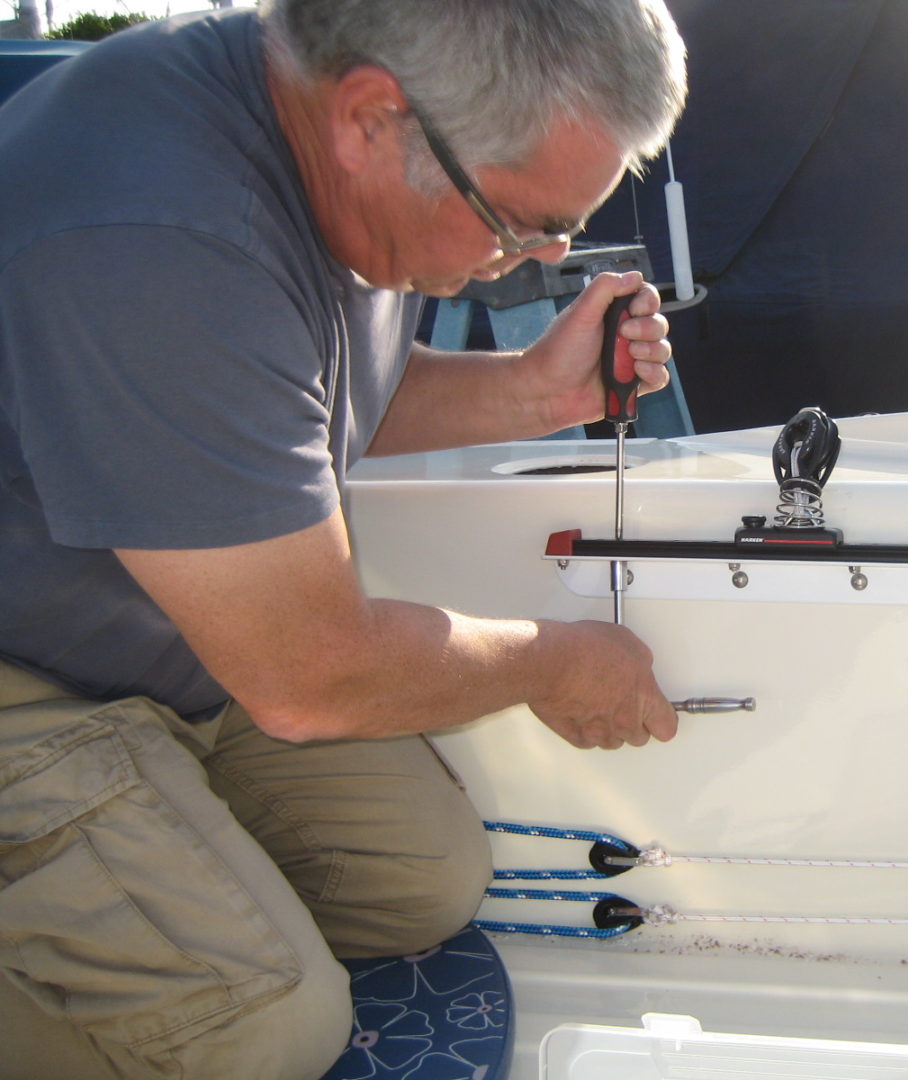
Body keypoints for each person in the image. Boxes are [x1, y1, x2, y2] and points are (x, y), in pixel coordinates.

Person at [0, 0, 687, 1076]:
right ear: (372, 115)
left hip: (161, 643)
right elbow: (306, 674)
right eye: (517, 224)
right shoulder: (158, 237)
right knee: (262, 1030)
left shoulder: (324, 137)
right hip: (25, 670)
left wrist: (525, 394)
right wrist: (556, 662)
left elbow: (275, 403)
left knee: (417, 880)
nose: (530, 261)